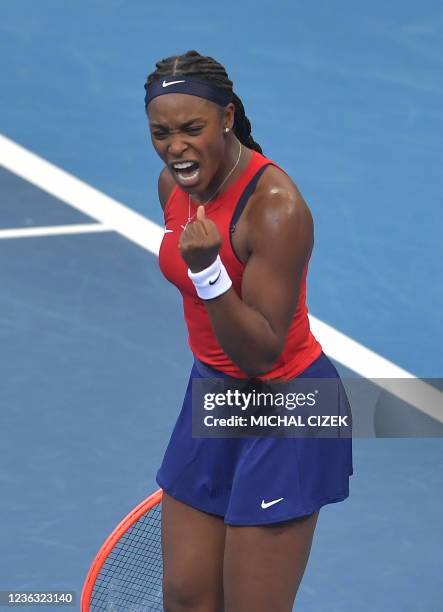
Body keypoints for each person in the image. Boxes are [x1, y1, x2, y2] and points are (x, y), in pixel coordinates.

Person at [144, 50, 353, 612]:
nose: (175, 146)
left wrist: (209, 274)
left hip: (290, 406)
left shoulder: (277, 210)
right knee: (187, 597)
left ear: (228, 118)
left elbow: (261, 355)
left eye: (192, 129)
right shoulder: (172, 185)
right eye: (161, 132)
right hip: (215, 394)